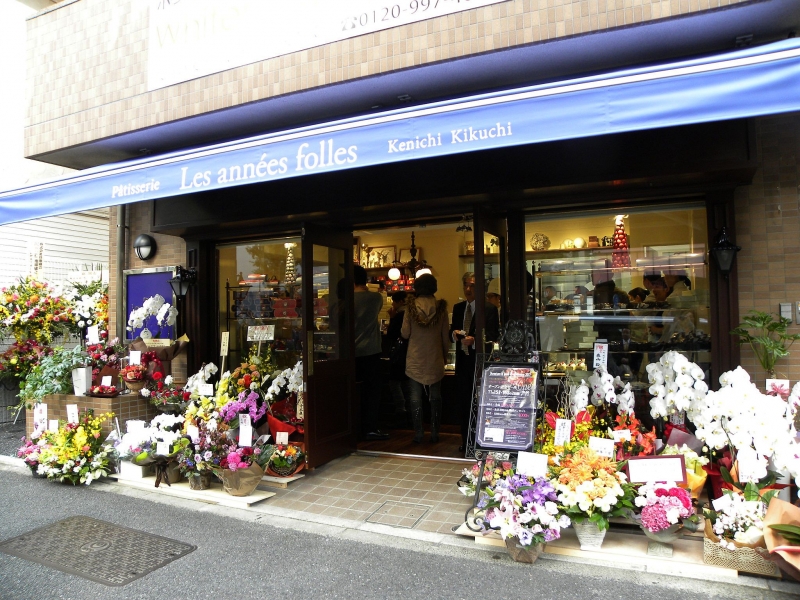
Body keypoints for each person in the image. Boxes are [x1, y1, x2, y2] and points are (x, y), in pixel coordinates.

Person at [450, 272, 500, 452]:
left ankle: (482, 441)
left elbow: (493, 337)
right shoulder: (458, 308)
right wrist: (454, 334)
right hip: (462, 362)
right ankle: (466, 441)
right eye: (465, 285)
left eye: (472, 285)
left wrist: (476, 341)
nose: (468, 289)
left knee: (481, 403)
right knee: (463, 402)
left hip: (480, 363)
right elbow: (451, 331)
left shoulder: (489, 309)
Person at [400, 275, 450, 444]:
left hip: (415, 357)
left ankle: (418, 433)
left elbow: (405, 333)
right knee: (436, 397)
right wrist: (445, 355)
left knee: (415, 398)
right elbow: (445, 337)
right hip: (435, 356)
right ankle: (435, 432)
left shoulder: (411, 307)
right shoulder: (441, 308)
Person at [354, 265, 388, 441]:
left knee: (353, 393)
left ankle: (354, 428)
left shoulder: (345, 300)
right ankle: (370, 428)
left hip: (351, 354)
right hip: (371, 351)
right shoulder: (375, 298)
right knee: (372, 393)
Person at [385, 291, 409, 419]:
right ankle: (408, 410)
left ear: (399, 302)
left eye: (394, 301)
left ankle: (401, 410)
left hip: (399, 354)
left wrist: (392, 317)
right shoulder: (411, 313)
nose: (393, 304)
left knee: (394, 382)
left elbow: (391, 334)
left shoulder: (400, 315)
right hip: (408, 353)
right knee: (405, 382)